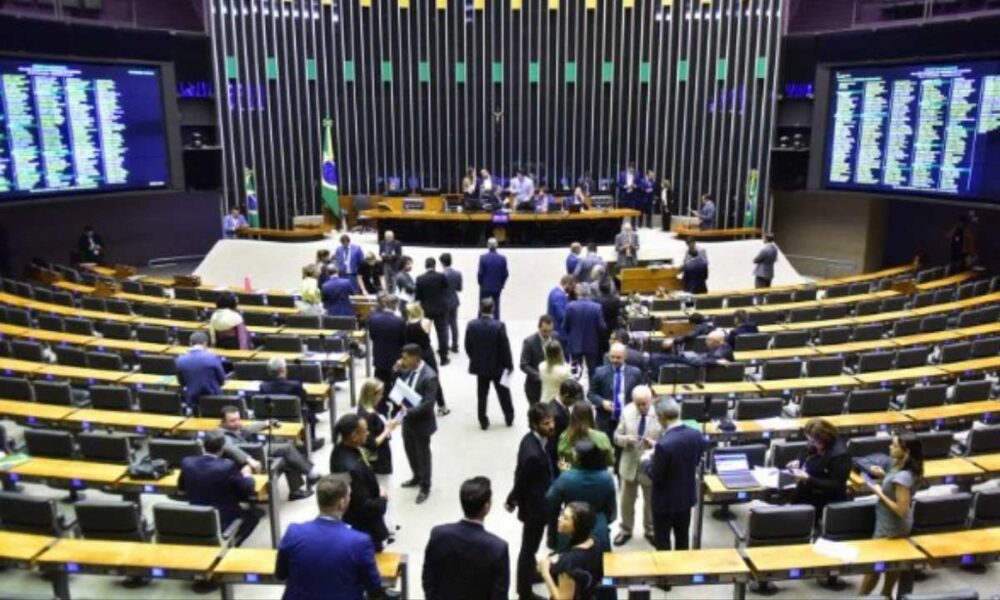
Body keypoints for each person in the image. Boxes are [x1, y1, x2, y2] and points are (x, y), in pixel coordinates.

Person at [275, 476, 388, 600]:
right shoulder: (360, 542)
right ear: (342, 503)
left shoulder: (293, 532)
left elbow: (281, 574)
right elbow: (374, 588)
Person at [423, 477, 510, 600]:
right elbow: (499, 595)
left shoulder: (438, 535)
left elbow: (428, 578)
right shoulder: (498, 548)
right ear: (487, 507)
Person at [859, 433, 923, 598]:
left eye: (894, 445)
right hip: (890, 522)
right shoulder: (902, 466)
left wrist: (878, 492)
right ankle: (886, 595)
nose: (890, 447)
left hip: (891, 526)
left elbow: (902, 510)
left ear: (906, 451)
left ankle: (862, 596)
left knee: (875, 566)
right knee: (893, 563)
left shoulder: (903, 477)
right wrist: (884, 476)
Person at [506, 403, 558, 600]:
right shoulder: (533, 454)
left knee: (531, 547)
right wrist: (512, 499)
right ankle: (524, 591)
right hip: (535, 508)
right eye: (546, 423)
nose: (552, 425)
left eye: (551, 420)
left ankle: (529, 575)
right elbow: (521, 480)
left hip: (541, 500)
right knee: (528, 549)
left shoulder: (538, 440)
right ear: (535, 425)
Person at [218, 405, 320, 501]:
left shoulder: (234, 428)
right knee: (287, 449)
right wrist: (249, 459)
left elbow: (247, 429)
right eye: (232, 421)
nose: (237, 423)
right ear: (222, 422)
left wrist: (267, 423)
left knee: (286, 453)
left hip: (256, 455)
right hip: (247, 466)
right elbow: (230, 448)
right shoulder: (220, 435)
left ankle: (296, 490)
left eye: (238, 419)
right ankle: (310, 472)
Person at [178, 431, 259, 545]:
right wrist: (247, 474)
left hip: (195, 515)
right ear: (222, 449)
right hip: (223, 518)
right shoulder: (227, 466)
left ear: (202, 445)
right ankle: (232, 546)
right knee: (253, 518)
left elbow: (181, 490)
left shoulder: (187, 462)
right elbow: (248, 490)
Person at [329, 414, 390, 551]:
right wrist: (383, 498)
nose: (368, 433)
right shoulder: (352, 468)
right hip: (363, 531)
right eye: (365, 431)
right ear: (354, 435)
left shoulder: (339, 450)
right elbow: (365, 508)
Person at [648, 397, 703, 551]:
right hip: (686, 497)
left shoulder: (664, 445)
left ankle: (665, 574)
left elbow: (655, 475)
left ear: (661, 416)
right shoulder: (696, 434)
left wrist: (647, 461)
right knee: (682, 537)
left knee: (663, 541)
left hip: (664, 502)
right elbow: (696, 460)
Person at [612, 386, 662, 546]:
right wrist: (625, 439)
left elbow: (668, 441)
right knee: (626, 502)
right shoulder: (627, 412)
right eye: (638, 404)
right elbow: (616, 436)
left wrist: (654, 444)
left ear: (651, 400)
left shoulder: (660, 414)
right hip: (629, 465)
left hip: (650, 466)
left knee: (650, 502)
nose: (641, 407)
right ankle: (625, 529)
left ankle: (651, 530)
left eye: (644, 404)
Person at [546, 440, 617, 551]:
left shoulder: (566, 478)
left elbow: (551, 501)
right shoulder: (606, 478)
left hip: (572, 527)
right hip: (598, 527)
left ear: (579, 458)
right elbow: (611, 509)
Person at [395, 343, 440, 503]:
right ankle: (416, 476)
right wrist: (397, 371)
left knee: (423, 454)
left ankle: (425, 486)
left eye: (405, 358)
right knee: (410, 450)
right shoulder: (407, 369)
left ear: (416, 358)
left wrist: (408, 412)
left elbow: (428, 404)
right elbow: (401, 386)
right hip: (407, 420)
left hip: (421, 422)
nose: (402, 360)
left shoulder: (430, 376)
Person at [787, 418, 851, 522]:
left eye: (813, 441)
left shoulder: (841, 455)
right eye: (809, 440)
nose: (811, 444)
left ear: (824, 439)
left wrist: (809, 479)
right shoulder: (817, 443)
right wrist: (798, 461)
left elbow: (836, 484)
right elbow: (805, 451)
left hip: (825, 500)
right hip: (806, 493)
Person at [358, 378, 400, 535]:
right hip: (379, 460)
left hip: (375, 460)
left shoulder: (363, 410)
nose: (382, 396)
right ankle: (387, 527)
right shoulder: (369, 416)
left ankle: (388, 524)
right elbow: (373, 443)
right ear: (372, 394)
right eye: (380, 393)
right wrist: (388, 429)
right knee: (384, 492)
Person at [465, 298, 515, 429]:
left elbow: (468, 346)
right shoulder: (499, 326)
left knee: (482, 395)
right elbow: (505, 347)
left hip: (481, 367)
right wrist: (509, 365)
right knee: (503, 393)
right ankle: (509, 417)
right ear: (493, 309)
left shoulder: (472, 325)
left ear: (480, 309)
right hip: (497, 367)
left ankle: (483, 420)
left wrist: (474, 358)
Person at [537, 501, 603, 600]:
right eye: (562, 514)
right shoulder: (596, 542)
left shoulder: (569, 562)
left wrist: (545, 572)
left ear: (578, 526)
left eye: (566, 518)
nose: (559, 519)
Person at [260, 357, 323, 449]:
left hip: (272, 417)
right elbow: (304, 399)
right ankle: (310, 440)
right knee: (310, 408)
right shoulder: (295, 386)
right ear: (282, 370)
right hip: (294, 418)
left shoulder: (263, 387)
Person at [588, 343, 643, 447]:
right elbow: (591, 394)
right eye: (612, 357)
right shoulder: (600, 372)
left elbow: (641, 392)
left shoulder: (636, 373)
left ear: (625, 356)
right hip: (605, 419)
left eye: (618, 357)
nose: (615, 360)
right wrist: (602, 402)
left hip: (628, 419)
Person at [405, 303, 449, 415]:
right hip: (426, 352)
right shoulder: (425, 322)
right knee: (434, 377)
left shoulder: (406, 324)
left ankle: (415, 404)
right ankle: (442, 405)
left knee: (413, 378)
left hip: (413, 354)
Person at [369, 294, 406, 406]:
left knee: (380, 384)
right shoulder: (399, 321)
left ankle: (381, 404)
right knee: (397, 384)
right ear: (395, 306)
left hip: (379, 356)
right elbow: (403, 341)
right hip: (395, 358)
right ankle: (397, 406)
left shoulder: (373, 319)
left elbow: (372, 336)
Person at [562, 286, 607, 378]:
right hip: (592, 343)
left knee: (575, 371)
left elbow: (564, 326)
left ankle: (575, 388)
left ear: (578, 293)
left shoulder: (570, 306)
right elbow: (602, 326)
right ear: (589, 294)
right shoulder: (597, 307)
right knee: (592, 370)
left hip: (575, 343)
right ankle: (593, 390)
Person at [175, 331, 225, 414]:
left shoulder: (180, 360)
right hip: (214, 397)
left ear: (190, 343)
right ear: (205, 343)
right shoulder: (213, 358)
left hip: (192, 399)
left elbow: (181, 382)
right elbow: (222, 380)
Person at [415, 256, 451, 365]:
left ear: (425, 266)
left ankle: (425, 356)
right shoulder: (441, 276)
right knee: (442, 333)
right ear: (434, 265)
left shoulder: (419, 278)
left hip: (426, 309)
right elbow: (446, 289)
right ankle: (443, 357)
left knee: (426, 333)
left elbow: (418, 296)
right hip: (440, 308)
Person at [557, 401, 614, 469]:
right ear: (591, 416)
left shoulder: (564, 437)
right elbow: (610, 461)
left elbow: (562, 462)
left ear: (572, 416)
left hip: (573, 476)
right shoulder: (602, 437)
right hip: (596, 475)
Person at [520, 315, 558, 406]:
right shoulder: (529, 342)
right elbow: (524, 364)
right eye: (544, 331)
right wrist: (539, 376)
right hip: (535, 388)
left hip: (552, 387)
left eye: (550, 331)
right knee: (537, 415)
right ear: (539, 327)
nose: (547, 334)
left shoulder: (556, 338)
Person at [478, 237, 509, 319]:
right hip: (497, 287)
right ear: (497, 246)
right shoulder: (502, 259)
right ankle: (496, 324)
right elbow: (505, 274)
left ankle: (481, 325)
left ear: (488, 246)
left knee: (483, 307)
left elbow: (480, 273)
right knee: (496, 308)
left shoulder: (483, 258)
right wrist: (501, 284)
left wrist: (481, 283)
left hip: (485, 287)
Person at [440, 252, 463, 353]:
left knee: (444, 325)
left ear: (442, 262)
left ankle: (444, 345)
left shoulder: (441, 275)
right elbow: (459, 288)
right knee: (454, 324)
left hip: (444, 301)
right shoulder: (458, 273)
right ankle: (455, 345)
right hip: (454, 300)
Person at [539, 340, 572, 405]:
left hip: (545, 401)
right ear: (560, 353)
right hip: (558, 404)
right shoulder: (565, 371)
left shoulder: (541, 366)